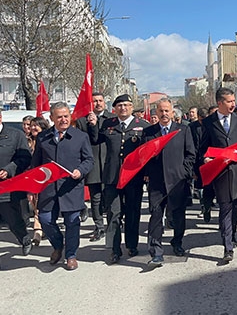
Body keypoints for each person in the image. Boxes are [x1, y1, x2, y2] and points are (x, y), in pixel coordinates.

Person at [30, 102, 94, 270]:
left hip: (71, 187)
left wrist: (80, 171)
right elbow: (36, 165)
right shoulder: (43, 137)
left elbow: (89, 160)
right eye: (59, 117)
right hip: (49, 189)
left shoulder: (80, 137)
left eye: (66, 116)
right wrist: (32, 187)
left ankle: (71, 255)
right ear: (52, 118)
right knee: (45, 220)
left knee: (72, 222)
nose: (63, 120)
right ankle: (58, 246)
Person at [87, 94, 150, 264]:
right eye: (120, 105)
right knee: (114, 214)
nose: (123, 108)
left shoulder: (142, 126)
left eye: (127, 105)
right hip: (112, 177)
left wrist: (147, 173)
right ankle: (114, 249)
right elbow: (95, 140)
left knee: (132, 212)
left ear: (131, 107)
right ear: (115, 108)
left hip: (133, 177)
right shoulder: (109, 124)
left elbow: (148, 151)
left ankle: (131, 244)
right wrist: (93, 125)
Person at [200, 87, 237, 262]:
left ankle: (231, 234)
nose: (233, 104)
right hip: (221, 172)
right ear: (220, 103)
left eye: (234, 101)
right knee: (225, 206)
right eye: (229, 101)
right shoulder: (209, 123)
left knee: (236, 207)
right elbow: (203, 148)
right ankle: (227, 247)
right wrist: (206, 159)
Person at [142, 98, 195, 268]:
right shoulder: (149, 132)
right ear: (156, 113)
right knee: (156, 216)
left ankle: (177, 242)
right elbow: (144, 156)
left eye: (167, 111)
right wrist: (147, 174)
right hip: (157, 183)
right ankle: (156, 252)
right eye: (161, 111)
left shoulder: (183, 130)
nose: (164, 114)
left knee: (178, 215)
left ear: (173, 113)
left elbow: (190, 154)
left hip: (177, 181)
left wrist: (184, 172)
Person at [75, 92, 116, 242]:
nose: (98, 103)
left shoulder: (112, 119)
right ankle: (99, 226)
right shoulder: (81, 122)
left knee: (112, 197)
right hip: (93, 165)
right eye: (95, 101)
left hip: (110, 163)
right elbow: (86, 141)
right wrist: (91, 124)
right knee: (96, 198)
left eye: (100, 100)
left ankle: (115, 223)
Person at [0, 109, 33, 258]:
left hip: (8, 186)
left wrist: (8, 169)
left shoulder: (15, 135)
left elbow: (25, 158)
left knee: (12, 219)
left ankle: (25, 239)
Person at [27, 116, 51, 246]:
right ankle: (39, 229)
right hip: (30, 176)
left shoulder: (47, 140)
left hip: (45, 177)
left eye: (36, 125)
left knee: (42, 204)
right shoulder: (27, 142)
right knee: (35, 203)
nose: (33, 128)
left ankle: (39, 230)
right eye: (31, 125)